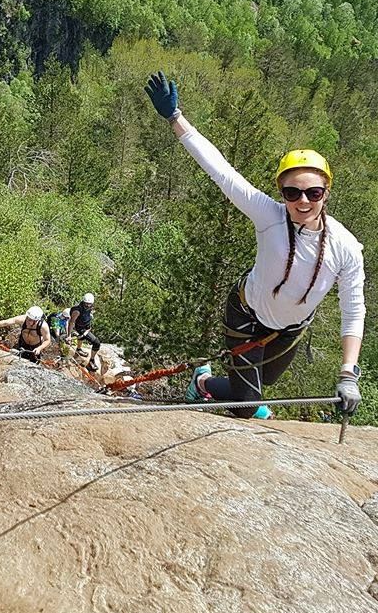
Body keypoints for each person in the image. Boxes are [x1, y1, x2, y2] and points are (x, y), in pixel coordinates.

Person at [144, 71, 364, 419]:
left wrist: (348, 373)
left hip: (290, 329)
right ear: (282, 193)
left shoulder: (346, 247)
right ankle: (205, 386)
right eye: (292, 192)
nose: (302, 201)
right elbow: (221, 172)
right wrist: (175, 118)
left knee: (258, 387)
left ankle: (207, 383)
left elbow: (353, 310)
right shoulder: (269, 216)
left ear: (326, 194)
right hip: (246, 315)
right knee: (247, 407)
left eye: (313, 192)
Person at [65, 292, 102, 371]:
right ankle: (91, 361)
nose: (88, 306)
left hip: (85, 326)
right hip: (80, 328)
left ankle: (78, 349)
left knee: (82, 337)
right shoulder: (77, 311)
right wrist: (69, 336)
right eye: (86, 304)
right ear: (83, 303)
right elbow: (71, 322)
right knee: (96, 343)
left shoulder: (89, 308)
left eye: (89, 304)